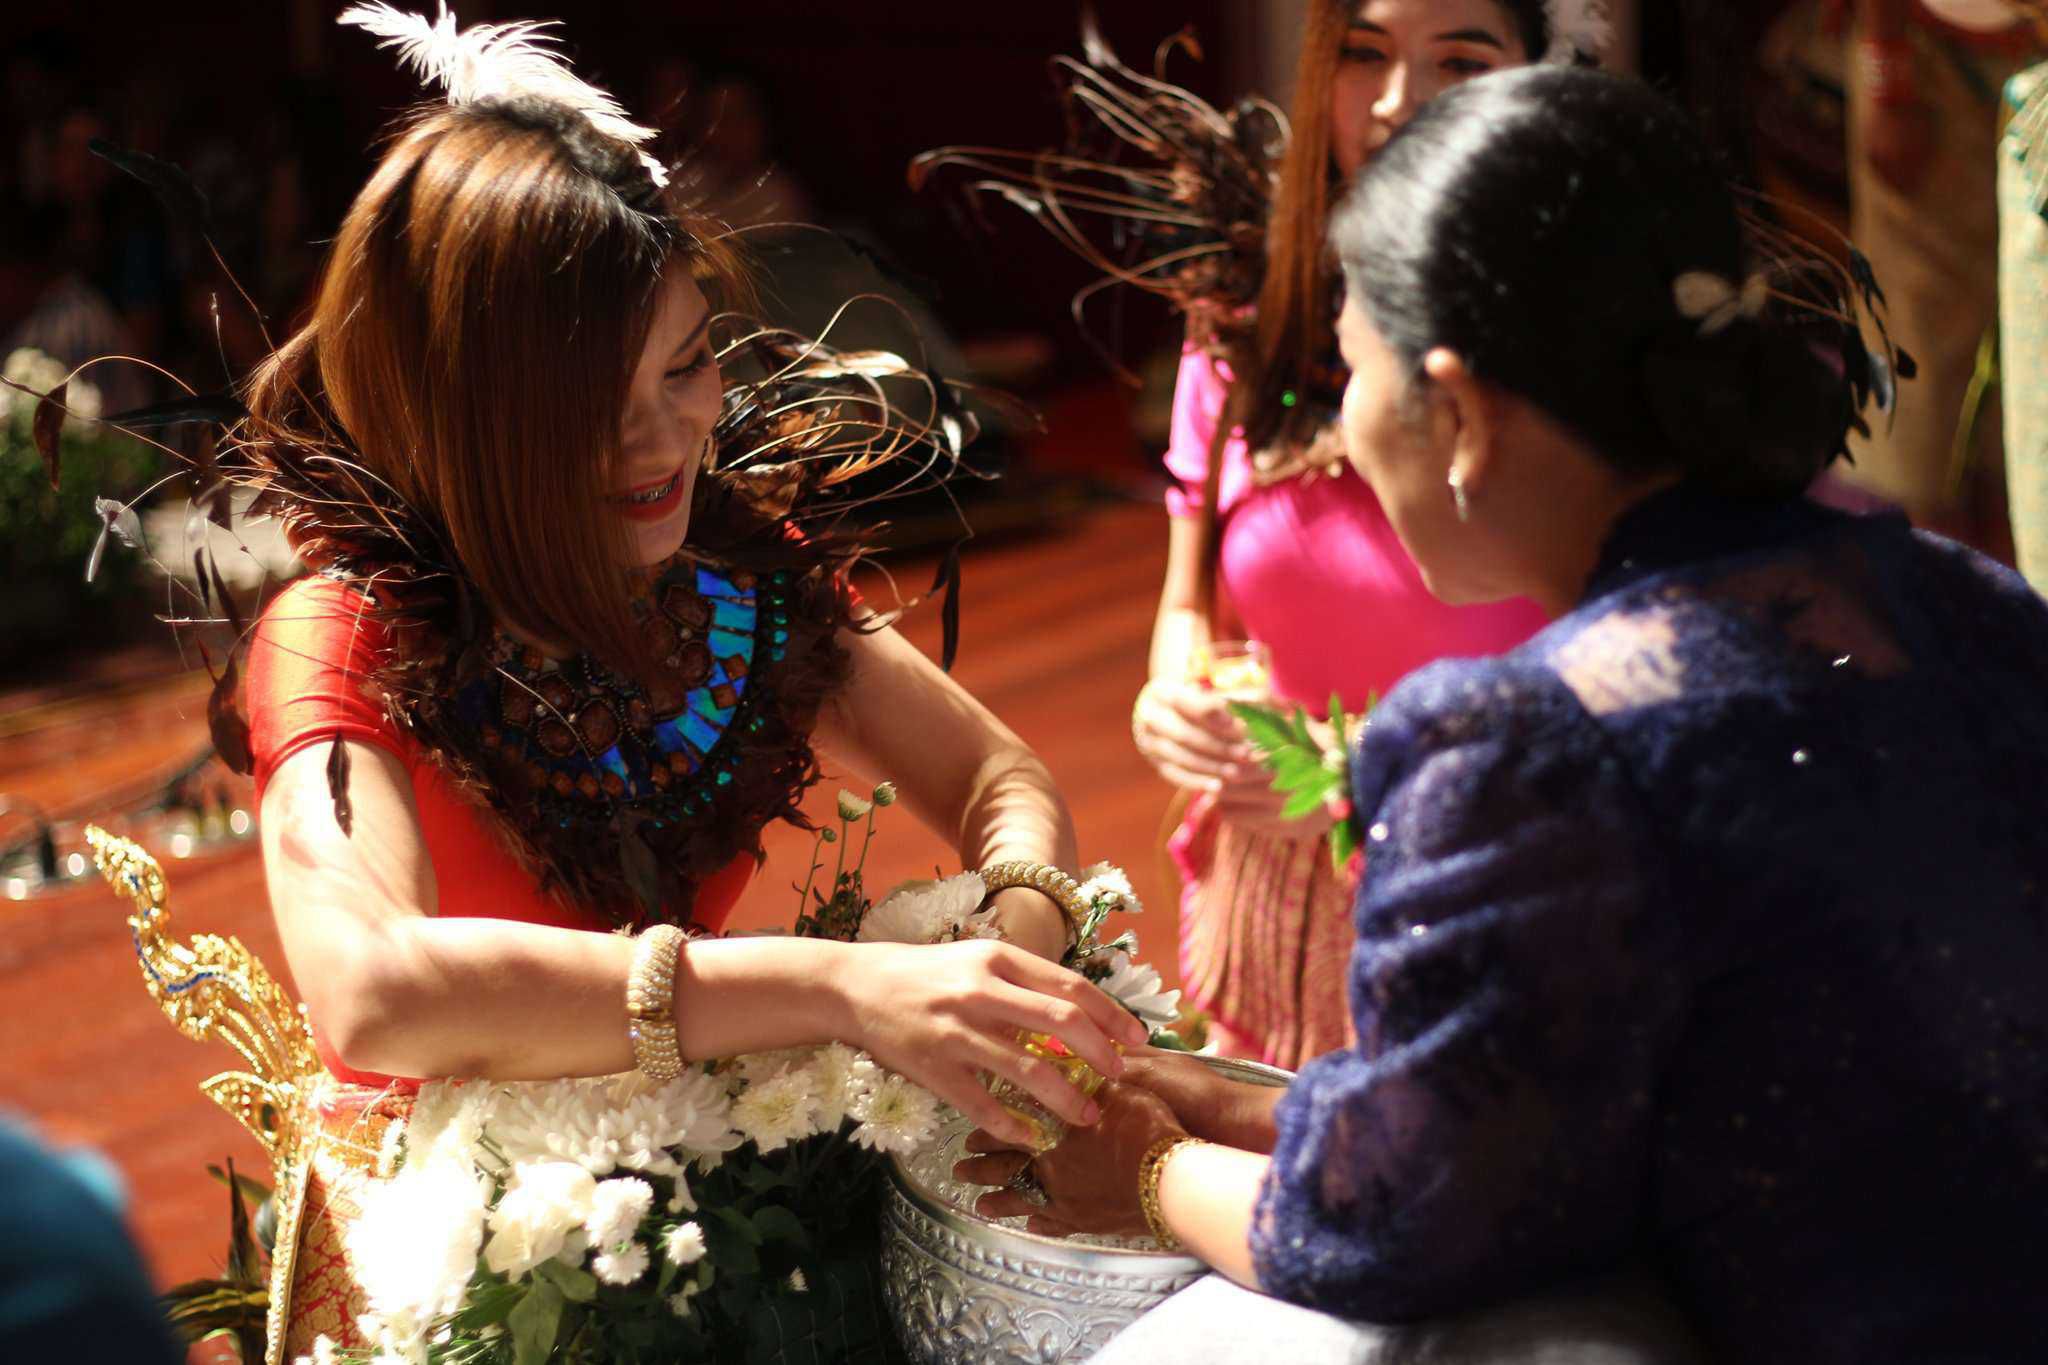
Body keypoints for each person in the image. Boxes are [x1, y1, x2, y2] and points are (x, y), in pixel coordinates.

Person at [82, 4, 1148, 1356]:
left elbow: (996, 775)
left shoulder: (732, 586)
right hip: (462, 1282)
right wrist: (840, 989)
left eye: (687, 364)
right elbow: (377, 988)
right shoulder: (343, 634)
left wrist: (1011, 951)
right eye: (592, 403)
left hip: (693, 1223)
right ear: (467, 411)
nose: (662, 437)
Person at [965, 65, 2048, 1364]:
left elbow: (1395, 1224)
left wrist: (1145, 1168)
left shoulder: (1531, 745)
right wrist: (1229, 1097)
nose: (1349, 429)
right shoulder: (1970, 600)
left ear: (1461, 410)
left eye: (1354, 373)